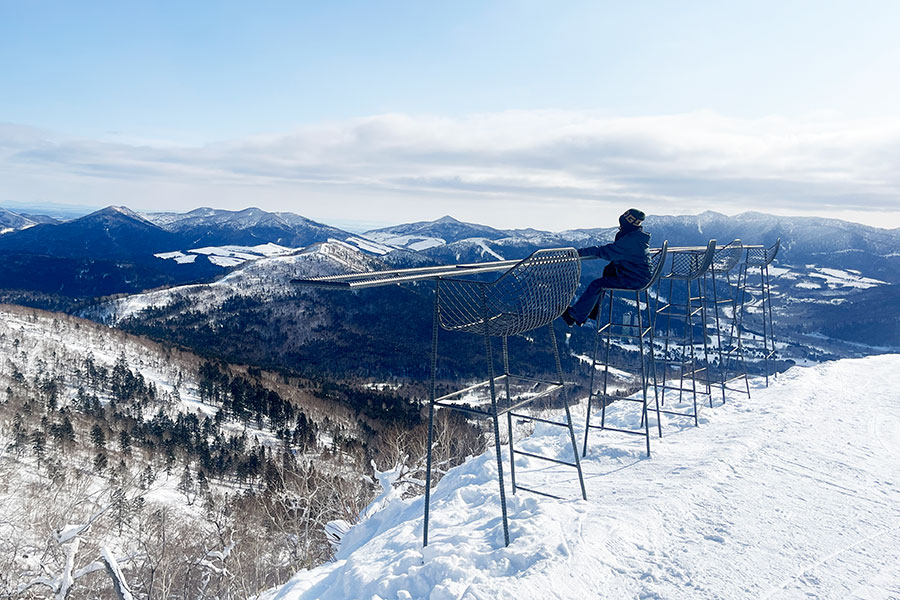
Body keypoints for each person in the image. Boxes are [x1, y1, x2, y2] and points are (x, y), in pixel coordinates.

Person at [562, 208, 652, 326]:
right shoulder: (636, 237)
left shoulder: (630, 241)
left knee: (597, 284)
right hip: (639, 276)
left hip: (635, 279)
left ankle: (575, 315)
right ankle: (588, 312)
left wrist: (579, 253)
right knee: (608, 271)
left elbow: (607, 252)